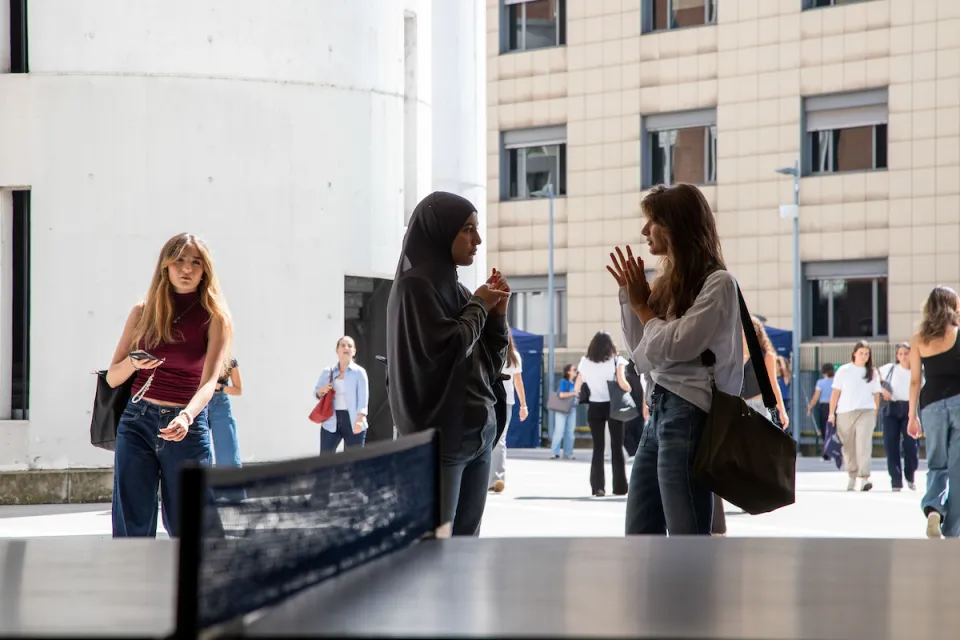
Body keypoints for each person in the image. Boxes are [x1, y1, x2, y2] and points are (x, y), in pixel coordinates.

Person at [614, 183, 743, 536]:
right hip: (660, 410)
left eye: (652, 221)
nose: (644, 231)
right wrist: (630, 298)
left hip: (689, 412)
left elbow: (675, 346)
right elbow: (642, 351)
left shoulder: (718, 284)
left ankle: (690, 594)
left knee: (687, 538)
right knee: (640, 532)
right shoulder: (666, 283)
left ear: (676, 227)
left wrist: (642, 307)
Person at [386, 191, 511, 537]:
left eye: (476, 229)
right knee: (435, 548)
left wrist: (496, 317)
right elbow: (448, 349)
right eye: (467, 229)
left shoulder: (455, 289)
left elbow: (488, 363)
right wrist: (481, 306)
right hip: (442, 440)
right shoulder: (415, 288)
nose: (478, 240)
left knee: (465, 549)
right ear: (441, 232)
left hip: (477, 435)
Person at [105, 233, 232, 538]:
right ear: (165, 266)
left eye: (195, 262)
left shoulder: (215, 318)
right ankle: (134, 584)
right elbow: (112, 377)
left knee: (194, 525)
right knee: (132, 525)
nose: (186, 269)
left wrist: (187, 417)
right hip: (137, 422)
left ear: (205, 271)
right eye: (179, 261)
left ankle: (200, 586)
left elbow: (210, 382)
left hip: (187, 426)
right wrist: (135, 363)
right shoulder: (142, 313)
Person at [908, 287, 960, 538]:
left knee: (936, 463)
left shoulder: (918, 339)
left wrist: (912, 416)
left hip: (931, 406)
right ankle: (953, 530)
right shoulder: (958, 332)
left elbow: (915, 381)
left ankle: (934, 510)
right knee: (958, 467)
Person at [574, 331, 631, 497]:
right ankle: (620, 487)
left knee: (598, 448)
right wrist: (630, 388)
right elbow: (623, 383)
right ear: (610, 346)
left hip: (594, 407)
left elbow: (577, 387)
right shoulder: (616, 361)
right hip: (613, 406)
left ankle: (598, 488)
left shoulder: (584, 362)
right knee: (616, 447)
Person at [828, 341, 882, 492]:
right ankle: (852, 476)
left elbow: (876, 394)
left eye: (867, 354)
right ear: (854, 354)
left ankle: (865, 478)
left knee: (863, 445)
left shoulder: (872, 372)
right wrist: (831, 413)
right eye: (861, 353)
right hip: (845, 412)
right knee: (848, 447)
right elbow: (835, 393)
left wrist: (875, 413)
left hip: (866, 412)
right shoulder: (844, 370)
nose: (864, 356)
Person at [315, 336, 370, 452]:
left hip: (353, 419)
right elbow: (317, 393)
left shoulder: (359, 373)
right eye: (343, 345)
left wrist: (360, 419)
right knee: (325, 458)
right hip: (331, 420)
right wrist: (321, 391)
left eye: (350, 346)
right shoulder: (328, 372)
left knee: (355, 459)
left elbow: (363, 398)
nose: (346, 348)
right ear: (337, 351)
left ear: (354, 351)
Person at [489, 330, 527, 493]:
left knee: (488, 439)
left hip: (490, 399)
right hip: (506, 402)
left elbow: (518, 382)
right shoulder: (513, 356)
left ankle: (489, 479)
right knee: (500, 440)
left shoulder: (490, 351)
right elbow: (518, 383)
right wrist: (523, 405)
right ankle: (497, 479)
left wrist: (523, 405)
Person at [878, 343, 917, 492]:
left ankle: (910, 475)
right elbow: (874, 376)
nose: (902, 356)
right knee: (891, 445)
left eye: (906, 353)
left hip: (909, 408)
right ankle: (896, 480)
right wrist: (882, 389)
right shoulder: (890, 368)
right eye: (900, 354)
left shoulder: (917, 370)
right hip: (891, 409)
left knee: (911, 445)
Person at [741, 316, 789, 429]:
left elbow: (773, 384)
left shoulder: (767, 356)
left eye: (744, 332)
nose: (741, 336)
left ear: (756, 333)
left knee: (760, 444)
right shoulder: (733, 356)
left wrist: (782, 411)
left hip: (759, 407)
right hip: (738, 408)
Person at [210, 357, 243, 467]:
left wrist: (218, 386)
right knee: (195, 448)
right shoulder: (197, 355)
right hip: (197, 401)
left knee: (227, 448)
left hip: (218, 401)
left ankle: (230, 482)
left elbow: (238, 390)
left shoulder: (229, 360)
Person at [551, 364, 579, 459]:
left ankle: (568, 453)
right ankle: (555, 452)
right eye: (574, 369)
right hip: (562, 409)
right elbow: (561, 395)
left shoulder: (575, 383)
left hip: (572, 409)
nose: (576, 371)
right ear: (568, 372)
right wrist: (573, 393)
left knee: (570, 432)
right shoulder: (564, 382)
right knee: (559, 431)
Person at [807, 363, 835, 445]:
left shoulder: (820, 383)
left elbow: (816, 397)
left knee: (825, 428)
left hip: (824, 407)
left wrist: (810, 407)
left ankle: (826, 450)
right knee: (834, 428)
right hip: (835, 406)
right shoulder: (836, 382)